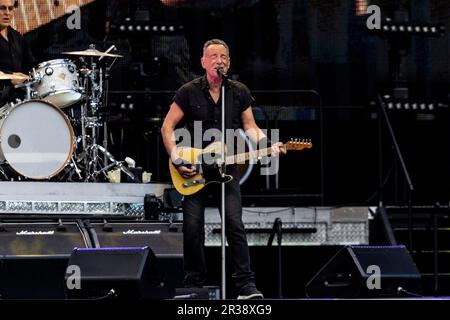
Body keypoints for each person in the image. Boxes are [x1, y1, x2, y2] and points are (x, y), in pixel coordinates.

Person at [161, 38, 285, 299]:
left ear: (229, 62)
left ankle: (246, 286)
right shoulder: (188, 91)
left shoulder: (238, 91)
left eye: (224, 57)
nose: (219, 60)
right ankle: (194, 285)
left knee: (234, 223)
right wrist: (176, 158)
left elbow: (250, 127)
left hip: (226, 168)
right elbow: (167, 127)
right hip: (194, 169)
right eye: (214, 56)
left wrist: (268, 144)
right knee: (192, 227)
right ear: (204, 62)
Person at [0, 0, 36, 105]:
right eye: (2, 8)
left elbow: (31, 65)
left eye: (10, 9)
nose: (7, 13)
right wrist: (10, 78)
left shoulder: (17, 37)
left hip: (18, 101)